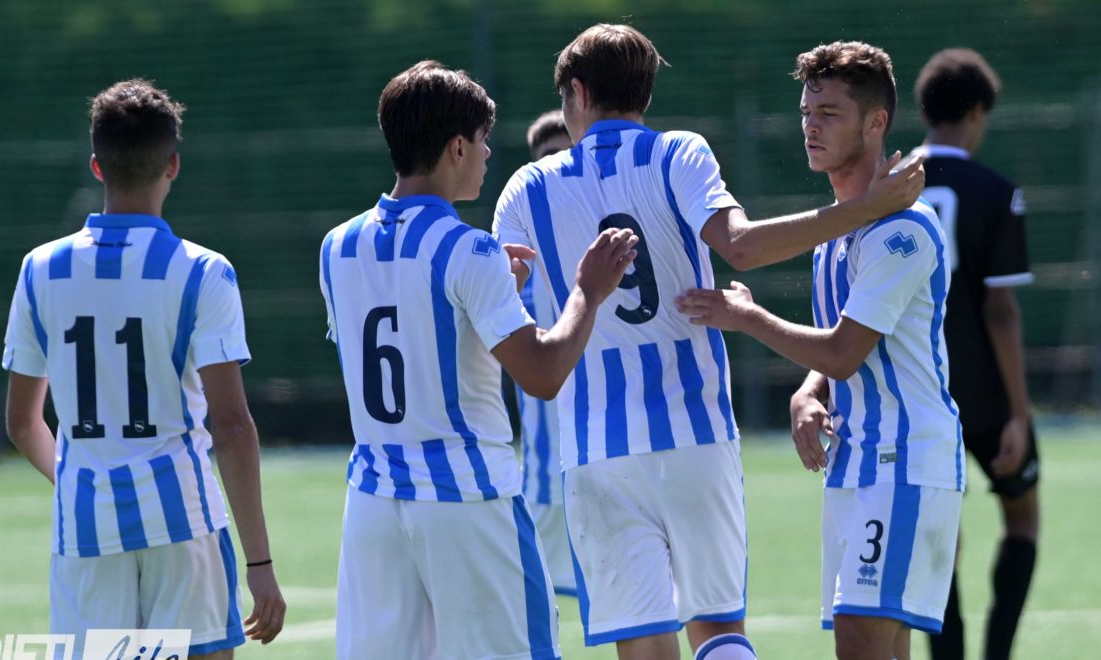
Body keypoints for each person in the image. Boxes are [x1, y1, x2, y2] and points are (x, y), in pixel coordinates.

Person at [494, 25, 925, 660]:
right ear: (645, 93)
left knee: (644, 645)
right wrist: (863, 209)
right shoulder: (680, 152)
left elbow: (498, 301)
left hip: (594, 448)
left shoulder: (526, 187)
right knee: (720, 636)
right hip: (696, 434)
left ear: (578, 94)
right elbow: (741, 248)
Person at [320, 60, 638, 660]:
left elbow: (412, 333)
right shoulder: (470, 249)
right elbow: (542, 374)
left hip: (373, 502)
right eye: (483, 139)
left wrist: (492, 296)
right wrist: (587, 293)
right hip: (467, 499)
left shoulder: (337, 245)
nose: (489, 153)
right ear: (457, 147)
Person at [678, 41, 963, 660]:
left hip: (906, 462)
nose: (811, 125)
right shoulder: (835, 231)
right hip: (855, 462)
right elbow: (837, 356)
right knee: (874, 645)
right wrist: (809, 392)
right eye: (807, 111)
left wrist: (748, 318)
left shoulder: (902, 231)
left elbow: (843, 351)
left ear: (876, 122)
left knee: (860, 640)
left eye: (830, 113)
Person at [1, 79, 285, 658]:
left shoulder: (40, 269)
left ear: (96, 166)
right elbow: (232, 425)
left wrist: (79, 480)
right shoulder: (204, 271)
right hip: (181, 518)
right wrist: (259, 562)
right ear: (172, 164)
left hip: (85, 528)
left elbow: (22, 422)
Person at [912, 48, 1039, 660]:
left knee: (941, 540)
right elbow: (1000, 310)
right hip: (986, 395)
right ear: (978, 112)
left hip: (916, 393)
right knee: (1023, 519)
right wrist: (1020, 413)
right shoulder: (996, 191)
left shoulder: (884, 186)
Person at [516, 110, 577, 597]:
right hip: (541, 478)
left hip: (606, 461)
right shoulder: (516, 259)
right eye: (544, 159)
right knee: (534, 616)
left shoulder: (606, 247)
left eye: (563, 156)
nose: (553, 168)